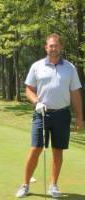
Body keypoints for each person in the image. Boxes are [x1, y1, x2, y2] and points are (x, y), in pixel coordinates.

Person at [15, 33, 84, 198]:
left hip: (62, 114)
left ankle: (53, 185)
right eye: (50, 46)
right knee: (35, 149)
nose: (53, 48)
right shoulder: (37, 66)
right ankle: (25, 184)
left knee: (58, 151)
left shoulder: (70, 68)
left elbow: (75, 93)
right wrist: (36, 102)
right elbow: (29, 89)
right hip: (42, 114)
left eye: (56, 45)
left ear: (61, 47)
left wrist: (80, 116)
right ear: (46, 47)